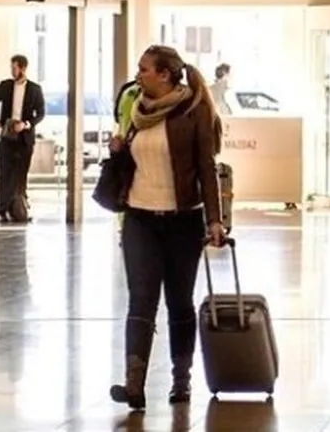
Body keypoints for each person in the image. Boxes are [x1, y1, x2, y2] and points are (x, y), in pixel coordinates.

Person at [108, 45, 227, 411]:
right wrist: (118, 149)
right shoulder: (136, 105)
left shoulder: (193, 111)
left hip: (182, 220)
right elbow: (133, 154)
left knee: (179, 302)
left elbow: (207, 168)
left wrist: (215, 218)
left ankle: (181, 378)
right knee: (141, 299)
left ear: (164, 74)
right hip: (139, 217)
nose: (138, 74)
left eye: (145, 69)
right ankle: (134, 384)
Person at [0, 54, 45, 224]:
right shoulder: (5, 86)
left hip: (24, 137)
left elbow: (41, 113)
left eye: (15, 67)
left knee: (20, 175)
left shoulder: (35, 89)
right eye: (11, 67)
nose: (12, 70)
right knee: (5, 173)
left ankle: (19, 209)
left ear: (23, 68)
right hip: (6, 136)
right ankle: (3, 210)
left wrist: (26, 124)